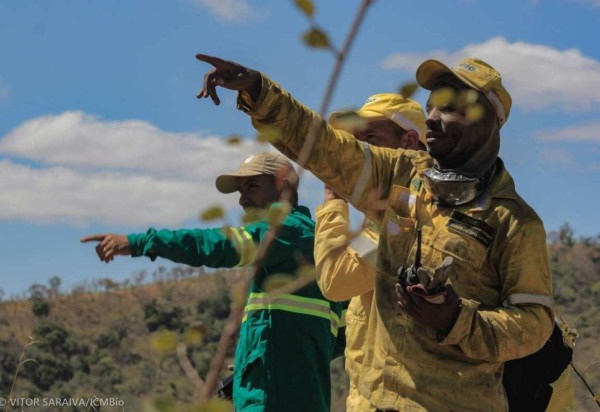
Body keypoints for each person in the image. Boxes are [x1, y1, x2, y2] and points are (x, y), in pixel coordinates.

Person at [195, 54, 555, 411]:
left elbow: (535, 324)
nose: (432, 118)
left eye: (448, 109)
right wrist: (259, 91)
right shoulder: (399, 175)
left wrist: (457, 319)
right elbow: (325, 148)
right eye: (430, 107)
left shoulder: (514, 222)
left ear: (487, 121)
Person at [81, 152, 344, 412]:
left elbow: (220, 245)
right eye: (241, 191)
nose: (243, 199)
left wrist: (141, 243)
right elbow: (342, 334)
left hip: (270, 400)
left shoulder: (285, 230)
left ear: (284, 183)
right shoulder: (319, 244)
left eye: (252, 186)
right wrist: (264, 357)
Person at [314, 93, 426, 411]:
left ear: (408, 141)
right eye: (355, 140)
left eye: (371, 138)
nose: (356, 150)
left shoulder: (406, 215)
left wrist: (333, 197)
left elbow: (336, 281)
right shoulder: (389, 213)